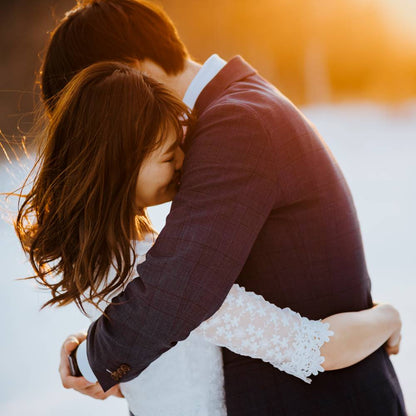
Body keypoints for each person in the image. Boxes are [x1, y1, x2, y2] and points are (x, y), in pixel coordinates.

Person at [28, 0, 406, 414]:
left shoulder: (235, 123)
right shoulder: (237, 107)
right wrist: (114, 358)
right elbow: (183, 289)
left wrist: (94, 360)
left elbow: (178, 287)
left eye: (96, 92)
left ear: (128, 73)